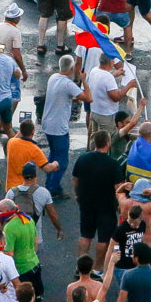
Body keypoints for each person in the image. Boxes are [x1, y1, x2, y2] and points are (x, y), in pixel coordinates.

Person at [73, 130, 124, 269]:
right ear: (108, 143)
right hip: (106, 207)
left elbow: (75, 179)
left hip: (86, 204)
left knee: (85, 235)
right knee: (104, 239)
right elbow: (119, 187)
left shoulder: (83, 158)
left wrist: (78, 195)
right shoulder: (113, 164)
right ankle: (98, 268)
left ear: (94, 143)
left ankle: (81, 266)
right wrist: (121, 205)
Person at [42, 54, 90, 197]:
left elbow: (66, 94)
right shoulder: (68, 84)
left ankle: (49, 183)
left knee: (53, 155)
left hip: (48, 124)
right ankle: (53, 188)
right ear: (71, 68)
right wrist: (83, 80)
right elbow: (89, 98)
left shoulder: (53, 78)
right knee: (62, 160)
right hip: (58, 128)